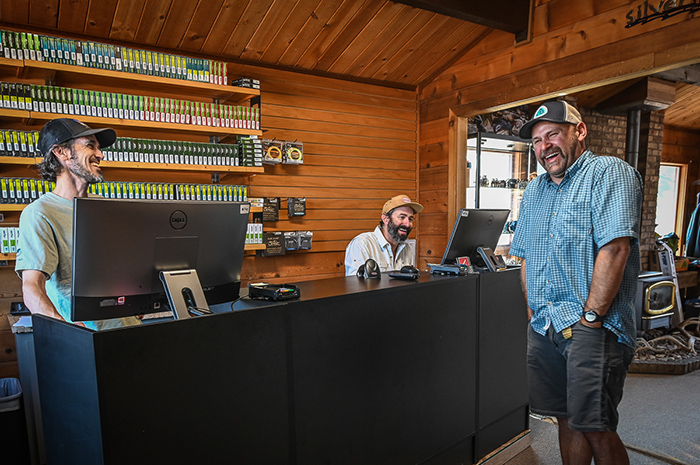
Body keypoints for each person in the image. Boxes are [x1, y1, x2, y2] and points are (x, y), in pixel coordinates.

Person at [510, 101, 642, 465]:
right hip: (544, 324)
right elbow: (526, 255)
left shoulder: (608, 173)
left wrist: (591, 319)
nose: (544, 146)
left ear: (579, 131)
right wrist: (532, 311)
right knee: (566, 420)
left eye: (553, 134)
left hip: (590, 326)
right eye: (537, 141)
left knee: (595, 426)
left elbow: (615, 248)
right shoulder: (535, 192)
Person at [15, 118, 141, 331]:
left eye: (99, 148)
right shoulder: (40, 213)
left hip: (131, 330)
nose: (100, 155)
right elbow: (32, 287)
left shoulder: (108, 208)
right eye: (90, 146)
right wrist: (68, 332)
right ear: (61, 152)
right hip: (87, 338)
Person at [345, 194, 423, 276]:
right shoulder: (362, 244)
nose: (407, 224)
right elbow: (355, 285)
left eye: (410, 219)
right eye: (402, 217)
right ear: (386, 219)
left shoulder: (406, 249)